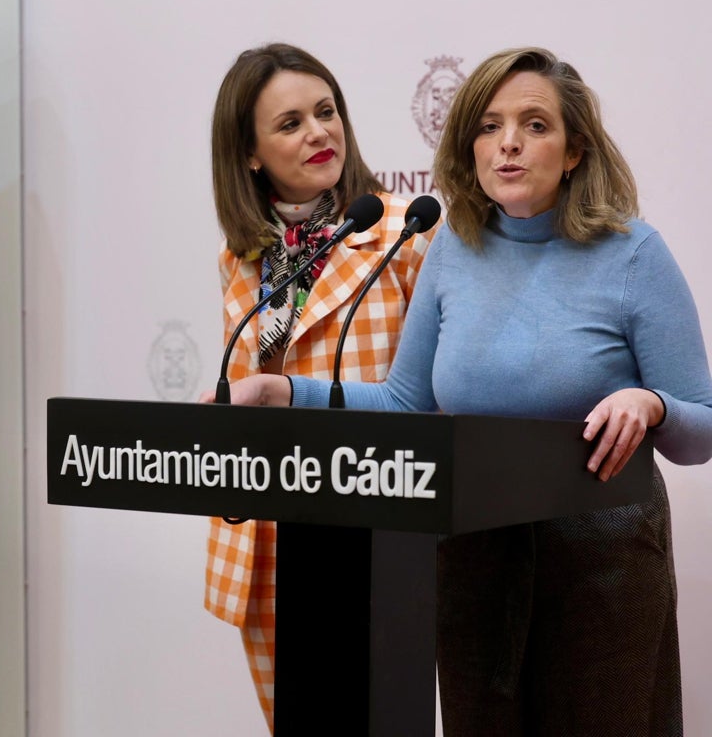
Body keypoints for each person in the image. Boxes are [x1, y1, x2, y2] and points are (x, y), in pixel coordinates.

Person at [212, 47, 712, 735]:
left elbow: (702, 432)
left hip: (603, 563)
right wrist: (286, 395)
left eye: (535, 125)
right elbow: (405, 406)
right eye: (488, 125)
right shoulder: (454, 248)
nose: (508, 142)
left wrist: (651, 405)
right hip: (474, 559)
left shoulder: (633, 253)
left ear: (574, 152)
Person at [203, 43, 435, 731]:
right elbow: (248, 378)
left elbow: (430, 393)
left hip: (376, 532)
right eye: (291, 122)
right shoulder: (240, 257)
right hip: (271, 539)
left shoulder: (405, 232)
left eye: (326, 111)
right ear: (249, 153)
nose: (318, 133)